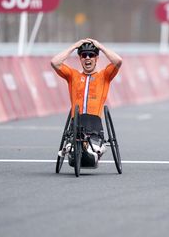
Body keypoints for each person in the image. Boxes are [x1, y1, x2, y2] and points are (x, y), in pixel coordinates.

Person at [51, 38, 122, 166]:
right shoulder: (73, 75)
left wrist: (100, 47)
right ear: (80, 58)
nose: (87, 58)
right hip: (76, 122)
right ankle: (73, 148)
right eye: (84, 55)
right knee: (74, 149)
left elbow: (118, 61)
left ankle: (94, 150)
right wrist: (74, 46)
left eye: (91, 55)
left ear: (96, 58)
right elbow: (54, 62)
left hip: (94, 123)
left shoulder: (104, 76)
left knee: (92, 152)